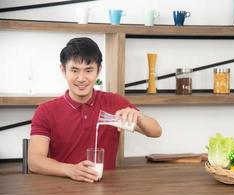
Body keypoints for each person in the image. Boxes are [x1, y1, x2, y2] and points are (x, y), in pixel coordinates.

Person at [28, 37, 162, 183]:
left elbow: (156, 131)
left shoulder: (115, 103)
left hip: (106, 188)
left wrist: (139, 117)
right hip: (62, 188)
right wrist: (70, 170)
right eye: (74, 70)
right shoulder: (46, 111)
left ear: (99, 70)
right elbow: (35, 161)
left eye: (88, 70)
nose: (81, 78)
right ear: (63, 70)